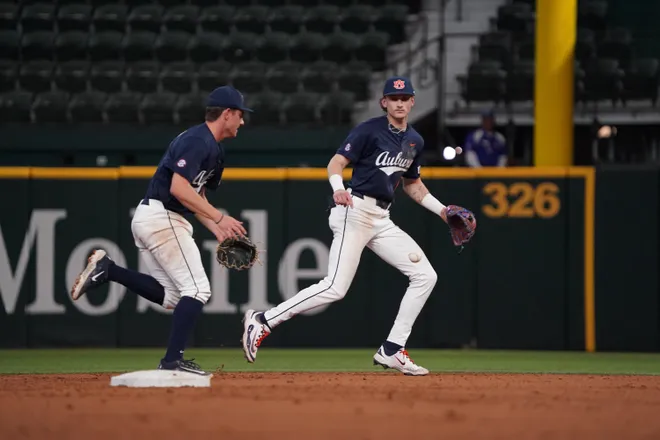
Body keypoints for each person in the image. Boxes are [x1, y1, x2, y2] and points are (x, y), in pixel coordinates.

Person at [241, 77, 453, 376]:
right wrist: (337, 187)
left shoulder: (415, 140)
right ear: (384, 102)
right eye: (394, 98)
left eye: (405, 97)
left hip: (381, 218)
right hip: (354, 209)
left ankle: (392, 349)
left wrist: (443, 212)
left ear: (413, 102)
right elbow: (336, 163)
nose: (400, 103)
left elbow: (413, 185)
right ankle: (263, 320)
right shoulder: (369, 130)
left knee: (425, 276)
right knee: (335, 287)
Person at [69, 86, 251, 376]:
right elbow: (178, 189)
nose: (242, 122)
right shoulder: (197, 140)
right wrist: (220, 217)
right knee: (198, 289)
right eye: (240, 115)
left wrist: (216, 225)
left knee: (175, 298)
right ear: (226, 113)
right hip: (161, 216)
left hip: (155, 218)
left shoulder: (214, 150)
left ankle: (109, 270)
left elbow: (196, 196)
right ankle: (172, 361)